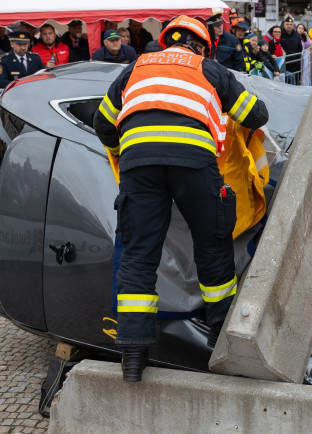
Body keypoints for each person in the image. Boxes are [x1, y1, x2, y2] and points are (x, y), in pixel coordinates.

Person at [93, 15, 268, 382]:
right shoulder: (209, 69)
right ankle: (220, 333)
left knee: (140, 253)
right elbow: (256, 114)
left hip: (139, 164)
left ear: (165, 41)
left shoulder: (134, 68)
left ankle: (133, 354)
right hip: (194, 162)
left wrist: (128, 153)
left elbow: (103, 124)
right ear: (204, 46)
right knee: (212, 240)